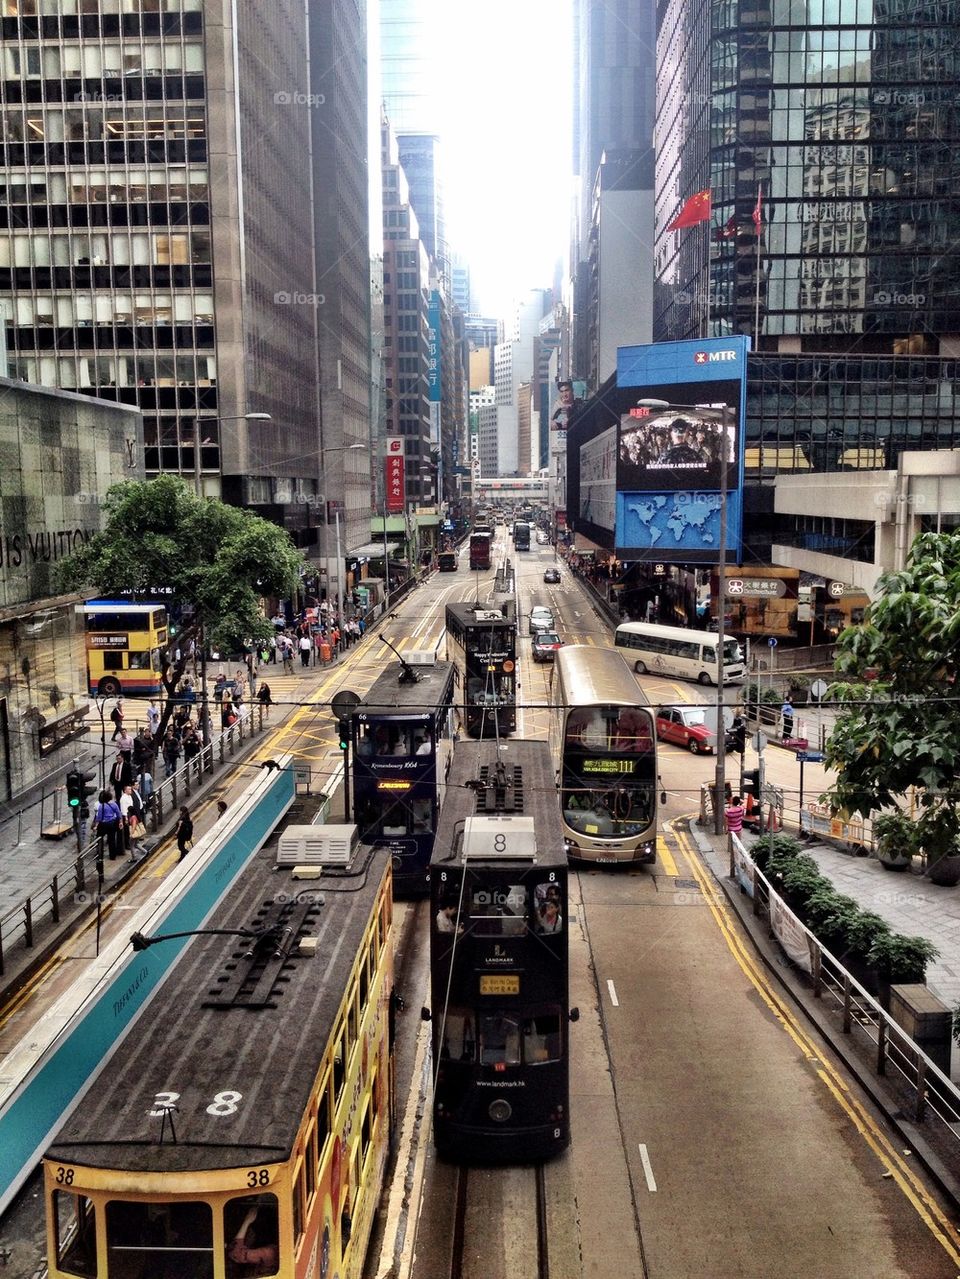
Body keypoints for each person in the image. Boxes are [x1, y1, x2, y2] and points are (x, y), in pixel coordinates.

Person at [92, 789, 123, 860]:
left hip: (103, 824)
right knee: (112, 840)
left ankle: (100, 855)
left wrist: (96, 826)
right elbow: (119, 814)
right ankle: (112, 856)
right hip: (111, 823)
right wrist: (121, 822)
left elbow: (98, 817)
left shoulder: (101, 806)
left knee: (100, 839)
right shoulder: (114, 804)